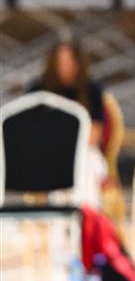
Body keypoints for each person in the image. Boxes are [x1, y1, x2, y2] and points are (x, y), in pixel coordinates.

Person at [30, 38, 109, 205]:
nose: (65, 65)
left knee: (83, 163)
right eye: (60, 61)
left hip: (84, 152)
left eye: (70, 60)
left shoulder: (91, 90)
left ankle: (84, 214)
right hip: (48, 154)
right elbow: (30, 131)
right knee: (55, 162)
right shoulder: (38, 90)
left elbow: (94, 136)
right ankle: (63, 213)